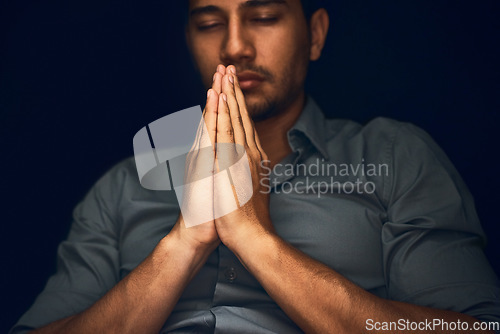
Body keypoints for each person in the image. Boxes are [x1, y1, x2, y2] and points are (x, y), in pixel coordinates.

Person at [11, 0, 500, 333]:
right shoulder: (122, 187)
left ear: (315, 34)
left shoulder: (394, 156)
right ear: (188, 39)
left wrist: (255, 239)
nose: (234, 47)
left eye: (263, 15)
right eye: (209, 23)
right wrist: (183, 244)